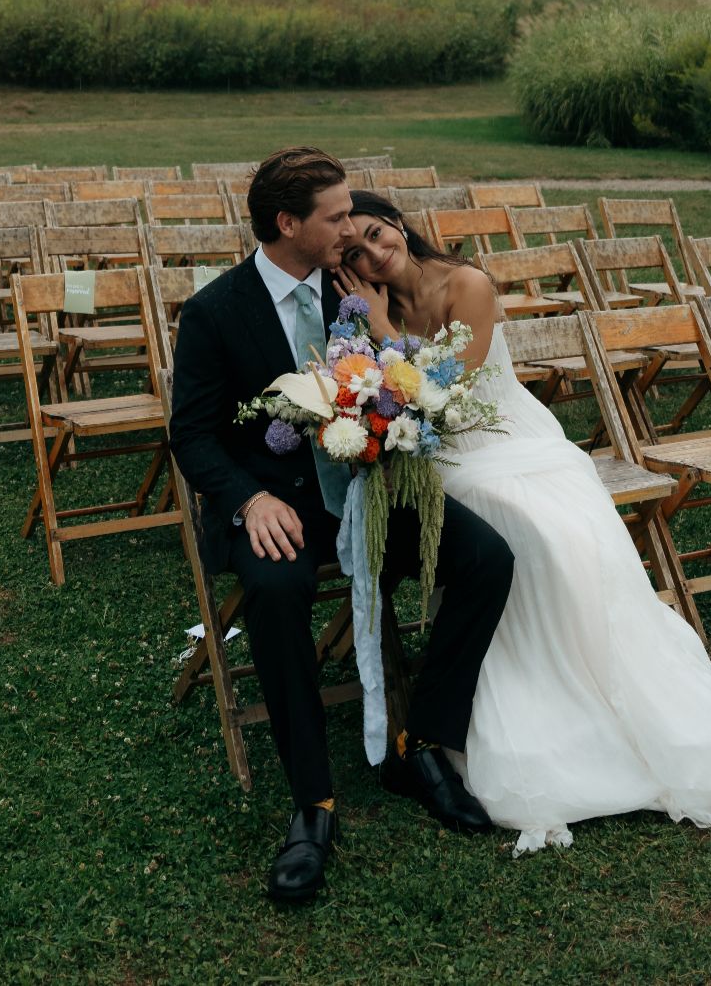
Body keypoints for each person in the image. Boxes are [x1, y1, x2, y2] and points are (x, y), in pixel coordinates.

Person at [332, 189, 711, 854]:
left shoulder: (468, 284)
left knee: (564, 531)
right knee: (518, 530)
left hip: (509, 441)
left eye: (377, 233)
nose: (373, 252)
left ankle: (608, 694)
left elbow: (446, 391)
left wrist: (384, 331)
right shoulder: (367, 311)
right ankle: (517, 703)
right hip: (443, 458)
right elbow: (402, 407)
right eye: (357, 251)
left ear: (398, 224)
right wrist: (371, 325)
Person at [168, 149, 515, 903]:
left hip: (367, 488)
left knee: (487, 559)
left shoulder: (352, 289)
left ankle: (418, 743)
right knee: (275, 589)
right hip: (273, 509)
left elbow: (408, 375)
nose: (348, 229)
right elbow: (191, 435)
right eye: (333, 218)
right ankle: (312, 803)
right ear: (288, 223)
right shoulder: (214, 311)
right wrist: (247, 501)